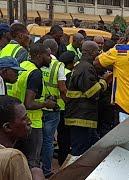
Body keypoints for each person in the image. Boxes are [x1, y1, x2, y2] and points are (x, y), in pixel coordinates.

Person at [9, 43, 57, 169]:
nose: (51, 58)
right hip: (32, 124)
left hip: (16, 120)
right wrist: (47, 104)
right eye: (48, 55)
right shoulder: (35, 73)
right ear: (39, 55)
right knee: (33, 162)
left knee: (18, 160)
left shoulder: (23, 66)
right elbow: (29, 103)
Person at [65, 41, 110, 156]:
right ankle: (74, 173)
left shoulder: (82, 66)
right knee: (79, 151)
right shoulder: (86, 68)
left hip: (82, 116)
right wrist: (104, 81)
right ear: (90, 52)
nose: (99, 54)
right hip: (81, 118)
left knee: (93, 147)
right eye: (97, 51)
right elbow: (91, 92)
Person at [0, 95, 45, 180]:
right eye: (24, 118)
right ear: (7, 127)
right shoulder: (13, 157)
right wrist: (37, 176)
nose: (29, 122)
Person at [41, 39, 67, 177]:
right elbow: (62, 88)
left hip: (38, 106)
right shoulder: (58, 65)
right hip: (53, 108)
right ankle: (46, 169)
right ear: (55, 50)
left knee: (38, 138)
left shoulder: (35, 61)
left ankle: (37, 166)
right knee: (48, 140)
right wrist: (68, 101)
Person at [57, 51, 75, 165]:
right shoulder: (69, 74)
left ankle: (60, 158)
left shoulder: (60, 71)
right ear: (70, 63)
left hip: (58, 107)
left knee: (61, 136)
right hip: (66, 108)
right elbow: (66, 92)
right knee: (65, 137)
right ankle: (63, 160)